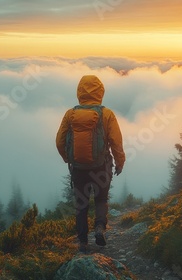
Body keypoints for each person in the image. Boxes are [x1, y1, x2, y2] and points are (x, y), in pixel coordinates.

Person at [56, 75, 125, 253]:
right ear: (100, 91)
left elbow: (59, 141)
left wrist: (68, 158)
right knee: (101, 199)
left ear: (79, 91)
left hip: (78, 167)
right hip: (102, 165)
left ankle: (83, 242)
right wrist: (120, 162)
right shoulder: (107, 114)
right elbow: (116, 142)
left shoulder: (70, 114)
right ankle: (100, 227)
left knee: (81, 203)